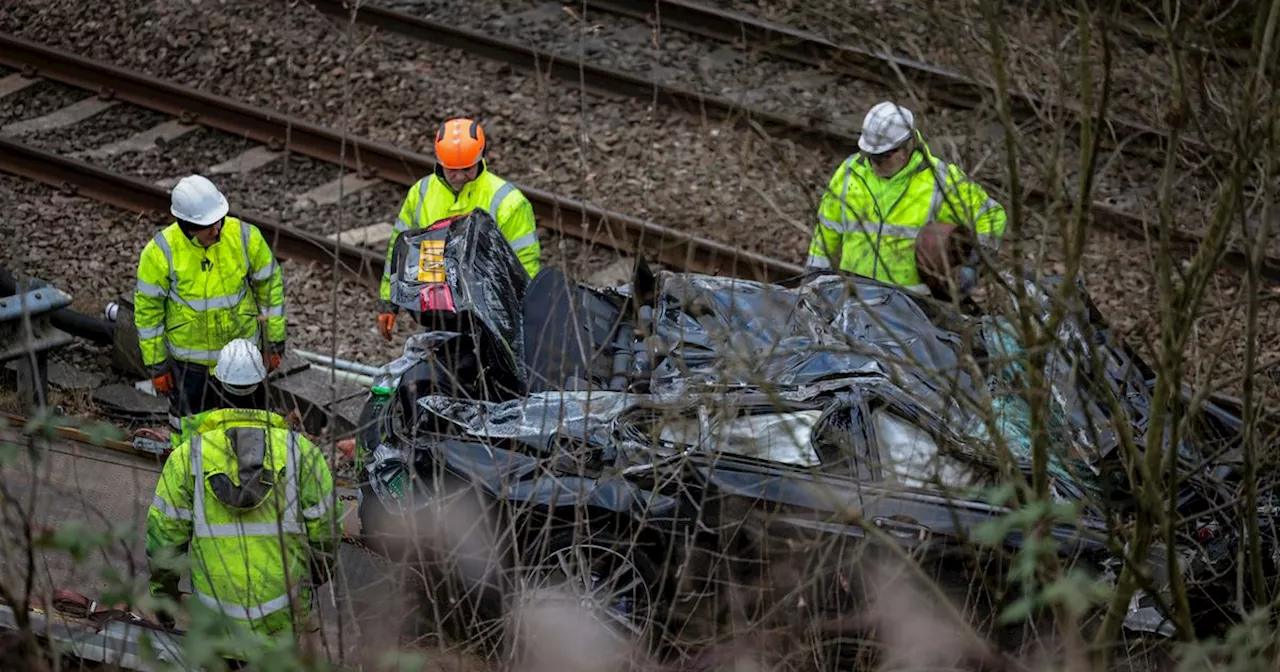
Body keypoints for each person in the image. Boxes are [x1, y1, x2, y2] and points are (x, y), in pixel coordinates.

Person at [146, 338, 338, 662]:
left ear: (216, 389)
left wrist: (162, 597)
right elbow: (325, 535)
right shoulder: (301, 454)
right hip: (283, 621)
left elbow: (164, 541)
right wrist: (314, 579)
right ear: (264, 387)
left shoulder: (188, 457)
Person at [134, 175, 287, 443]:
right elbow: (148, 314)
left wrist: (274, 342)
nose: (217, 229)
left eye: (220, 220)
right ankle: (188, 479)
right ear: (186, 225)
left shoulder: (244, 237)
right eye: (207, 226)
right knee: (189, 437)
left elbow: (271, 289)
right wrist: (157, 365)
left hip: (242, 363)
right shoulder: (160, 253)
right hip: (190, 366)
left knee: (251, 435)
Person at [806, 101, 1007, 294]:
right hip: (857, 299)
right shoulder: (850, 173)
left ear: (907, 146)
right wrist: (814, 275)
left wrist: (974, 264)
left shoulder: (941, 181)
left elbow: (991, 216)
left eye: (883, 156)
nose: (875, 164)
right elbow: (827, 229)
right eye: (869, 155)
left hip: (911, 307)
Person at [377, 118, 541, 340]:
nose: (461, 176)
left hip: (487, 313)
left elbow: (525, 262)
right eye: (453, 170)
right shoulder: (421, 193)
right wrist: (389, 301)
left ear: (481, 157)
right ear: (439, 162)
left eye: (467, 169)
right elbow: (399, 248)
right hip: (437, 311)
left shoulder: (508, 202)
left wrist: (522, 315)